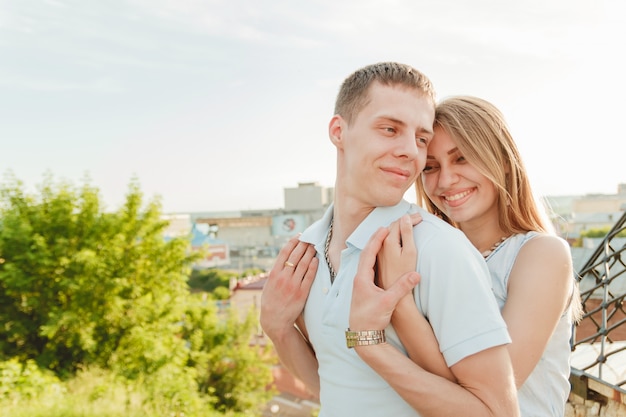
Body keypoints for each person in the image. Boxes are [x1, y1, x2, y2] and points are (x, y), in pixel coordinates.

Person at [260, 62, 520, 417]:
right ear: (339, 131)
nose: (411, 151)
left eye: (421, 138)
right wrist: (278, 329)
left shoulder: (436, 249)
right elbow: (337, 386)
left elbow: (498, 413)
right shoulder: (309, 250)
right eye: (389, 129)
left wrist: (369, 341)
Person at [373, 95, 582, 417]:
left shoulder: (541, 254)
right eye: (430, 167)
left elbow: (495, 394)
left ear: (501, 158)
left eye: (462, 159)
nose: (445, 181)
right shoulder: (424, 254)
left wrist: (399, 302)